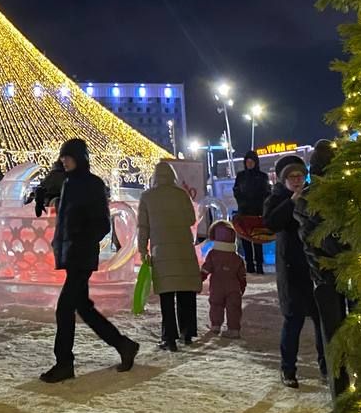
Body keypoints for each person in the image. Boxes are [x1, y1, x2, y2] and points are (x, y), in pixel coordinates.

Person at [40, 138, 140, 383]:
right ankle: (124, 345)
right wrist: (48, 200)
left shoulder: (92, 184)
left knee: (65, 309)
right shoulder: (68, 184)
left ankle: (64, 363)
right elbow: (66, 216)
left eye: (68, 156)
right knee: (83, 307)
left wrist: (81, 239)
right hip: (72, 253)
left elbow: (102, 223)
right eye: (62, 157)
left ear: (79, 158)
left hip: (81, 254)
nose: (63, 161)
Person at [292, 139, 351, 399]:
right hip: (346, 272)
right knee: (348, 333)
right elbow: (328, 240)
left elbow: (315, 239)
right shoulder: (338, 196)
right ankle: (348, 390)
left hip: (322, 276)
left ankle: (340, 392)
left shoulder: (306, 197)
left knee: (333, 337)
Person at [264, 157, 327, 389]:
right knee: (293, 320)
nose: (297, 180)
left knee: (321, 319)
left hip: (313, 267)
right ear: (284, 179)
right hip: (291, 268)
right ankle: (288, 369)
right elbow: (271, 223)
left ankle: (325, 367)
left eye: (300, 176)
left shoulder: (313, 195)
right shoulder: (277, 198)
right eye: (292, 177)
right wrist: (291, 202)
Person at [137, 162, 202, 351]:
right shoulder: (181, 194)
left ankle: (169, 338)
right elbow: (191, 219)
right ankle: (187, 332)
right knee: (185, 291)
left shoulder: (147, 197)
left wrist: (143, 250)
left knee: (167, 296)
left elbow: (143, 227)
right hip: (183, 249)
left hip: (161, 251)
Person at [200, 220, 247, 338]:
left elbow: (206, 269)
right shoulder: (237, 258)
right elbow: (242, 276)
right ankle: (234, 329)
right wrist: (242, 287)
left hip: (217, 287)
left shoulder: (212, 254)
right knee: (234, 308)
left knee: (216, 305)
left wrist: (199, 279)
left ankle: (216, 325)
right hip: (234, 288)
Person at [231, 150, 270, 274]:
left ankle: (259, 264)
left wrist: (261, 203)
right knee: (246, 238)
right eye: (247, 162)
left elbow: (267, 192)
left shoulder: (262, 176)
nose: (249, 164)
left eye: (251, 161)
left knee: (257, 239)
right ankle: (249, 264)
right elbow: (236, 191)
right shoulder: (241, 176)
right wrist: (242, 202)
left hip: (258, 212)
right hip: (244, 211)